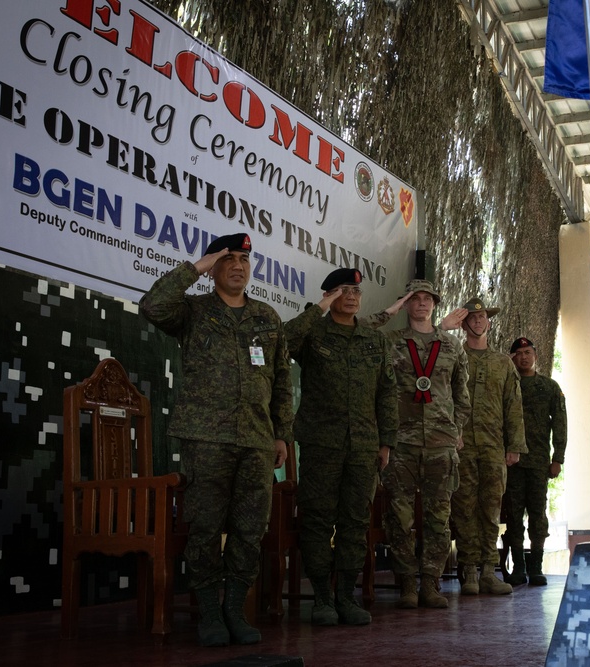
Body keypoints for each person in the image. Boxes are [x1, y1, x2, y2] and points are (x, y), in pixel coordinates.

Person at [139, 233, 294, 647]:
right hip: (206, 437)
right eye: (229, 260)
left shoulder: (268, 317)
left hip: (258, 441)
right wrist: (196, 268)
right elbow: (152, 306)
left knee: (250, 528)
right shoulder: (193, 310)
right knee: (205, 525)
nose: (238, 266)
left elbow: (281, 382)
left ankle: (234, 608)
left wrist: (281, 435)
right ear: (216, 267)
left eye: (244, 259)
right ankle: (209, 610)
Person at [283, 268, 398, 626]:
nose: (351, 296)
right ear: (330, 295)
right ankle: (321, 597)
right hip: (321, 443)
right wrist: (317, 309)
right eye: (342, 290)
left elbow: (387, 393)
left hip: (363, 447)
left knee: (354, 521)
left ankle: (345, 596)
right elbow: (282, 342)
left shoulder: (374, 341)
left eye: (356, 291)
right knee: (317, 520)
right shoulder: (313, 333)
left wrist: (387, 441)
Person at [382, 279, 470, 609]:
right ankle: (406, 582)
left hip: (441, 444)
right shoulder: (389, 342)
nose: (421, 303)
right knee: (399, 517)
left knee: (438, 517)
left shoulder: (451, 346)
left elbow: (463, 396)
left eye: (427, 299)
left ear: (435, 304)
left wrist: (454, 429)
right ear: (405, 304)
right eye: (414, 299)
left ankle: (431, 583)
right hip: (401, 443)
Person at [452, 297, 526, 596]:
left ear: (489, 323)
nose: (479, 321)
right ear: (464, 323)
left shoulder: (502, 363)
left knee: (491, 509)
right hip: (462, 446)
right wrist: (451, 433)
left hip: (494, 447)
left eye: (483, 317)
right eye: (472, 317)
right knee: (464, 507)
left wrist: (515, 445)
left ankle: (488, 571)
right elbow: (445, 398)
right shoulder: (455, 357)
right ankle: (468, 571)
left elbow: (513, 405)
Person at [506, 336, 567, 586]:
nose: (524, 357)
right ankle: (518, 566)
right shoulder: (507, 384)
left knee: (537, 514)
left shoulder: (549, 387)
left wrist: (558, 458)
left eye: (528, 352)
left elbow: (560, 423)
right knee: (513, 514)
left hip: (540, 461)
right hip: (511, 461)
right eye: (519, 353)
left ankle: (536, 565)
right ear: (513, 358)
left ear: (535, 356)